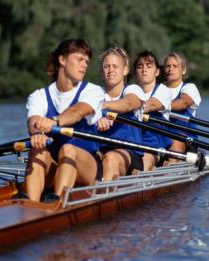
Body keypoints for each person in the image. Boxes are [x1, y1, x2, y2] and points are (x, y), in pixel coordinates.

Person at [25, 39, 104, 202]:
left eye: (87, 62)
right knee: (36, 148)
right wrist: (37, 133)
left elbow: (76, 112)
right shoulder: (38, 96)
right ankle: (31, 206)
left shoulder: (93, 91)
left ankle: (57, 204)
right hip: (55, 166)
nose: (84, 65)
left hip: (87, 166)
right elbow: (33, 122)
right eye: (79, 59)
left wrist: (53, 121)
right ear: (62, 60)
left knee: (68, 149)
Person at [97, 47, 145, 181]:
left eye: (115, 66)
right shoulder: (95, 93)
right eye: (106, 67)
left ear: (125, 70)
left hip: (130, 153)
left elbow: (128, 104)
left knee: (111, 158)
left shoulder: (132, 89)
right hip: (100, 150)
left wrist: (102, 108)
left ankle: (103, 199)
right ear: (102, 71)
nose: (110, 70)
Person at [133, 50, 172, 171]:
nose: (144, 69)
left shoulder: (163, 90)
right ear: (136, 72)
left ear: (157, 72)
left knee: (142, 161)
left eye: (149, 66)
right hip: (133, 145)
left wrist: (127, 108)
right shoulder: (131, 91)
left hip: (154, 148)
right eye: (140, 66)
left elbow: (151, 105)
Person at [164, 52, 201, 163]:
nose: (171, 69)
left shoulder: (189, 88)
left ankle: (170, 170)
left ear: (183, 70)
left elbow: (183, 103)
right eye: (168, 66)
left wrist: (158, 105)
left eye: (175, 66)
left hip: (187, 140)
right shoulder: (159, 89)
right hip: (162, 137)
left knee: (176, 140)